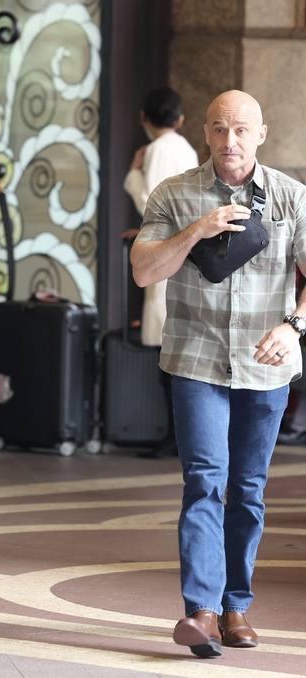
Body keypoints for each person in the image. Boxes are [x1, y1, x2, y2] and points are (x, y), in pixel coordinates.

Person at [131, 90, 306, 657]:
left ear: (261, 134)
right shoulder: (173, 193)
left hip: (265, 364)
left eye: (241, 130)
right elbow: (143, 271)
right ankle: (201, 612)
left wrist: (294, 326)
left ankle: (236, 607)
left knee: (248, 488)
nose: (230, 141)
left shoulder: (291, 197)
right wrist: (196, 232)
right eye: (219, 129)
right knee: (205, 479)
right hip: (196, 360)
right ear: (204, 133)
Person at [123, 87, 198, 459]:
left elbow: (150, 201)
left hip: (165, 252)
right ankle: (180, 435)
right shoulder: (188, 150)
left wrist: (134, 172)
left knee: (167, 350)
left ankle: (173, 435)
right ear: (180, 119)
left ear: (144, 118)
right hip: (187, 250)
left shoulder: (156, 151)